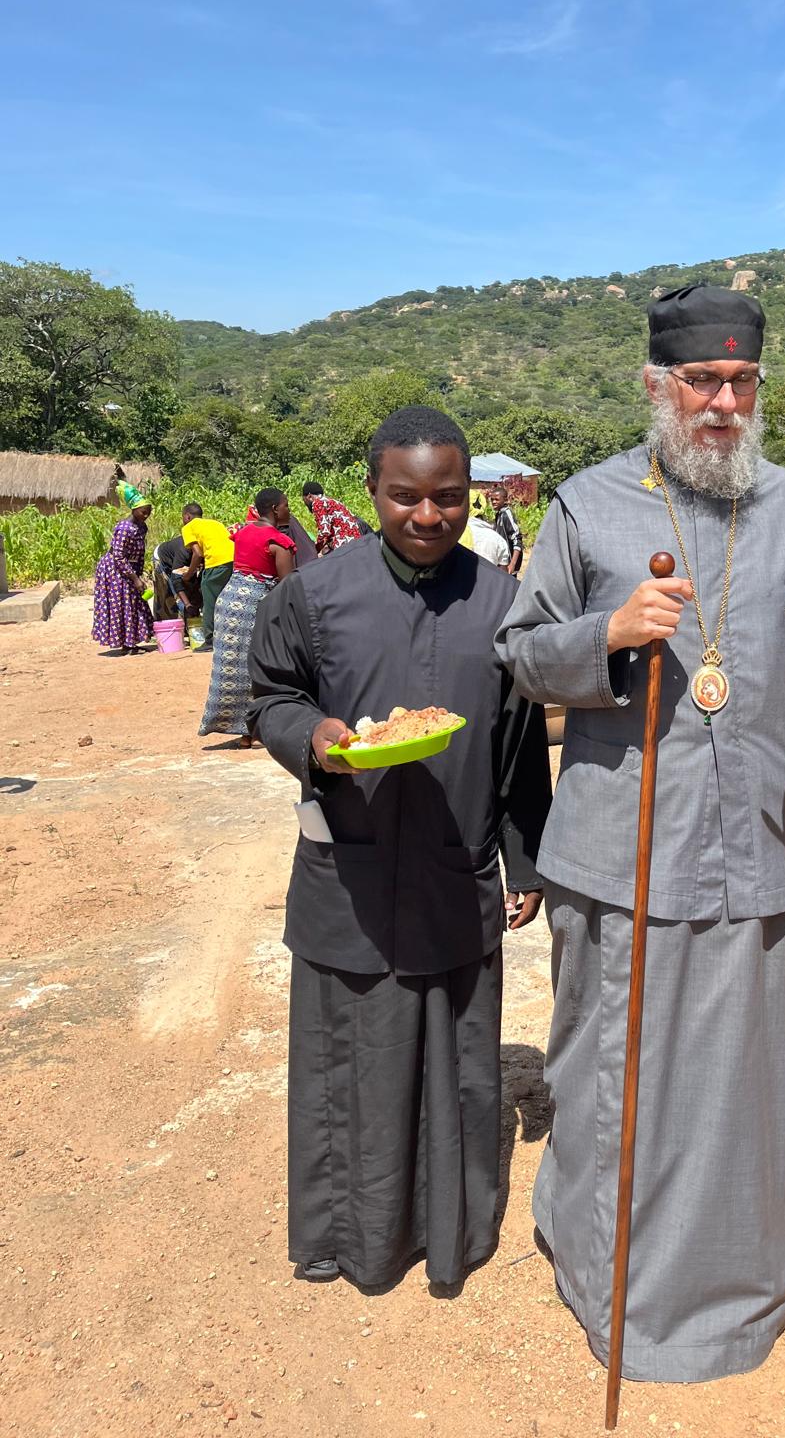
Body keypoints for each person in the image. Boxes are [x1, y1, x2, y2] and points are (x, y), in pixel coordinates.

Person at [496, 283, 785, 1384]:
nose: (723, 402)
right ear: (658, 384)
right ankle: (624, 1278)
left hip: (763, 833)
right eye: (703, 380)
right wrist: (607, 633)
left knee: (753, 1067)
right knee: (627, 1069)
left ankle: (757, 1266)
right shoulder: (588, 504)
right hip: (628, 843)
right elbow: (520, 652)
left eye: (742, 382)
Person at [248, 408, 551, 1292]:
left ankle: (451, 1233)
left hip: (458, 868)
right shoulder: (314, 594)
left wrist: (525, 862)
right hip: (350, 867)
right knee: (350, 1057)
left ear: (469, 497)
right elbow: (271, 697)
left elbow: (519, 747)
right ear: (372, 491)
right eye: (405, 496)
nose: (428, 516)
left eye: (448, 497)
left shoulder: (503, 605)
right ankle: (345, 1236)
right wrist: (314, 738)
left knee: (457, 1057)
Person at [199, 489, 296, 745]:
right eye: (286, 506)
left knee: (232, 669)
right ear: (275, 509)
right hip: (253, 607)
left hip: (228, 602)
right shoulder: (279, 542)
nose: (289, 510)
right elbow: (288, 587)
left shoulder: (242, 532)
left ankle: (245, 732)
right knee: (261, 668)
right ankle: (256, 729)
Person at [92, 484, 154, 655]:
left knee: (133, 603)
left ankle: (130, 642)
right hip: (115, 569)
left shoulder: (142, 527)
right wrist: (135, 578)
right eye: (143, 512)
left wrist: (138, 574)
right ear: (134, 510)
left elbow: (139, 552)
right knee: (122, 602)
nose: (146, 515)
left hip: (130, 568)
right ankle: (126, 643)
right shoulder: (123, 528)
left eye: (149, 512)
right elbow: (118, 556)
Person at [179, 504, 236, 650]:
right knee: (227, 600)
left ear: (187, 516)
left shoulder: (188, 527)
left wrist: (188, 574)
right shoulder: (215, 523)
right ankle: (231, 636)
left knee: (209, 602)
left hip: (217, 564)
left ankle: (210, 640)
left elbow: (198, 553)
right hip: (234, 561)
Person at [301, 481, 364, 557]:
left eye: (304, 500)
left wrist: (315, 550)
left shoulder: (317, 503)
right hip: (356, 541)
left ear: (309, 497)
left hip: (343, 545)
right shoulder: (333, 502)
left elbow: (324, 532)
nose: (305, 503)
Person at [488, 483, 524, 576]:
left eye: (496, 499)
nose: (493, 502)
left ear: (505, 500)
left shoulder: (506, 514)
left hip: (508, 564)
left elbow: (517, 538)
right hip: (502, 563)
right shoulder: (499, 514)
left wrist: (512, 564)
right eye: (492, 500)